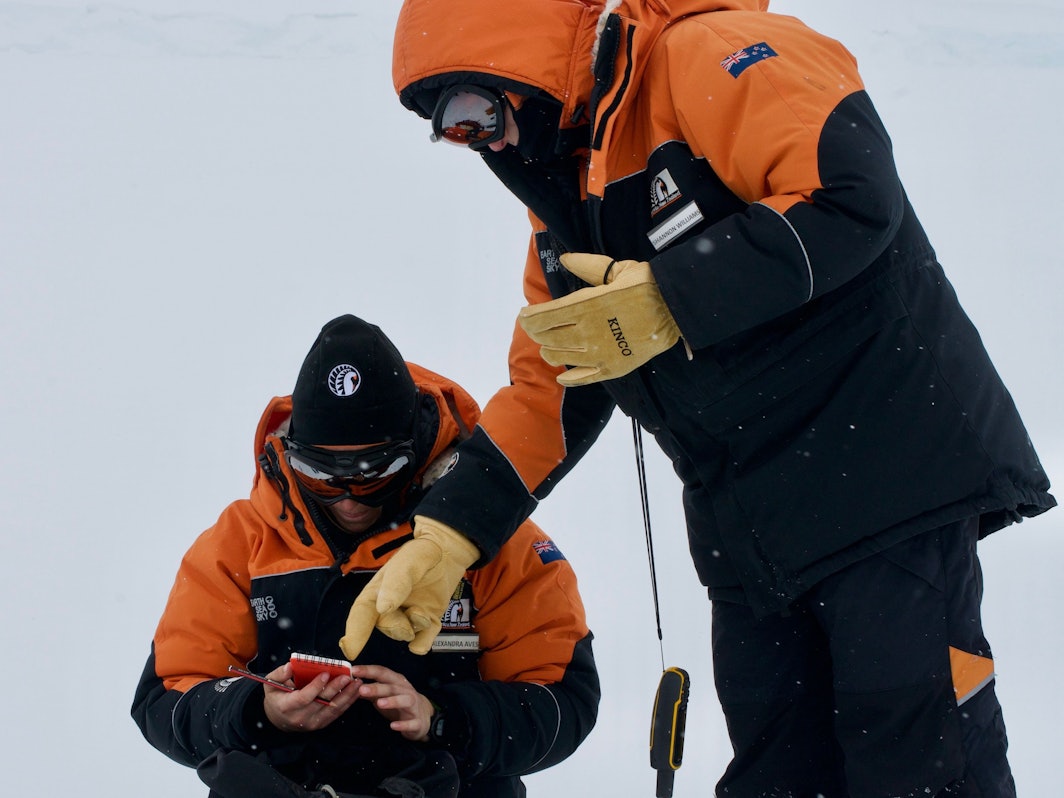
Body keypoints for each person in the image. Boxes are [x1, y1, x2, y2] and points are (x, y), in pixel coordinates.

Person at [336, 2, 1058, 797]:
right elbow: (553, 385)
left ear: (529, 63)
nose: (477, 139)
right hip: (752, 538)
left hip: (886, 482)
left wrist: (674, 297)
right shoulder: (569, 203)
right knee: (777, 772)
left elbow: (850, 194)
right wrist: (449, 536)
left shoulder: (712, 53)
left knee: (917, 759)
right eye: (448, 129)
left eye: (474, 108)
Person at [131, 314, 600, 798]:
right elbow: (164, 699)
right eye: (319, 475)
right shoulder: (238, 543)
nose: (349, 499)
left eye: (375, 472)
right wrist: (257, 710)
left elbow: (563, 702)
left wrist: (440, 719)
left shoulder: (494, 540)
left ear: (415, 448)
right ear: (290, 454)